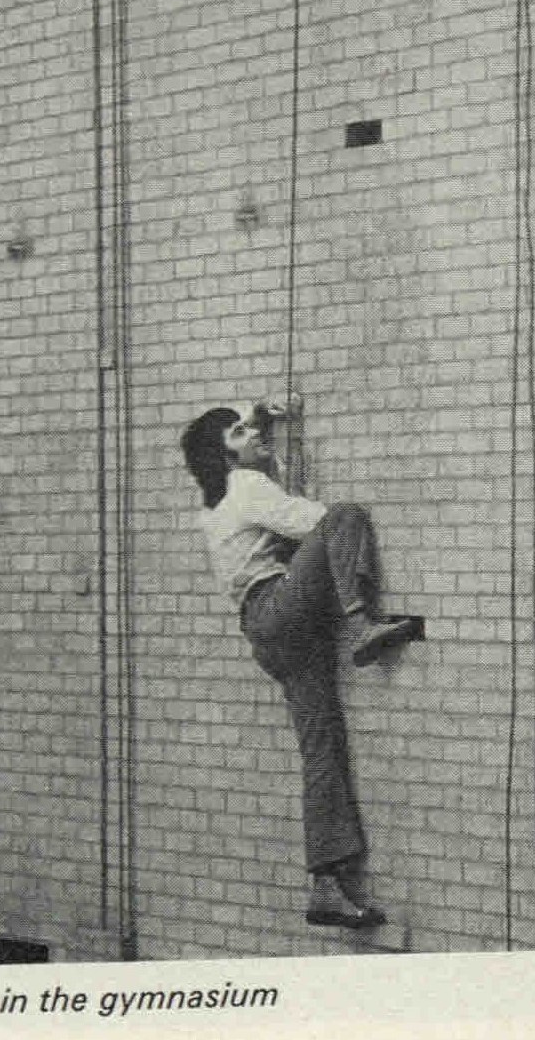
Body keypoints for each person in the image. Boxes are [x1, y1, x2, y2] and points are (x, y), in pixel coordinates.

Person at [180, 399, 420, 930]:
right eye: (239, 433)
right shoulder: (246, 485)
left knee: (321, 748)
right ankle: (360, 623)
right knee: (346, 515)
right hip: (280, 608)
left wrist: (262, 422)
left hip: (268, 634)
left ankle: (326, 885)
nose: (252, 434)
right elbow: (317, 522)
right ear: (225, 456)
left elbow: (278, 516)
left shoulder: (216, 502)